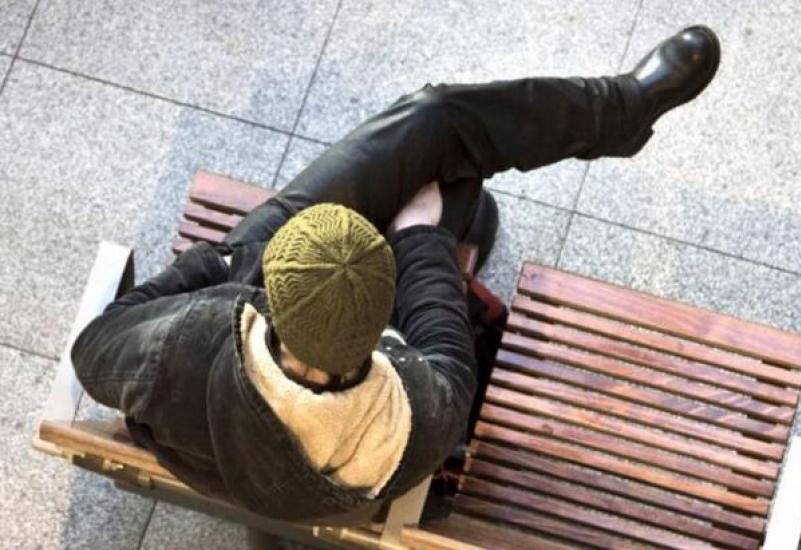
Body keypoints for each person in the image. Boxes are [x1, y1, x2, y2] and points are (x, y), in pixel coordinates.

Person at [70, 26, 721, 522]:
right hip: (308, 374)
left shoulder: (180, 342)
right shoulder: (415, 410)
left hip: (243, 307)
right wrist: (418, 236)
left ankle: (580, 138)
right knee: (448, 148)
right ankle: (618, 112)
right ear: (384, 328)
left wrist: (224, 264)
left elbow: (93, 347)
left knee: (441, 150)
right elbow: (439, 330)